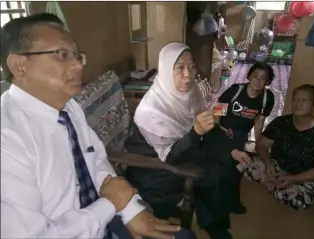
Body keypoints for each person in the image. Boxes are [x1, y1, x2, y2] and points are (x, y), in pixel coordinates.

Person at [1, 13, 196, 239]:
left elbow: (95, 159)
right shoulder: (8, 139)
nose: (77, 65)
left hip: (102, 218)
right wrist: (111, 204)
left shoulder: (69, 107)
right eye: (62, 54)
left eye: (77, 55)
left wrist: (130, 210)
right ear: (19, 65)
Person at [124, 42, 251, 239]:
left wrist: (231, 149)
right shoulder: (151, 110)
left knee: (228, 159)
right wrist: (196, 132)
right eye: (180, 68)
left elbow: (205, 125)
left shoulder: (192, 93)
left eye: (192, 66)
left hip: (185, 146)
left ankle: (223, 207)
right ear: (166, 70)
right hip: (156, 167)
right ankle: (214, 225)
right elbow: (172, 156)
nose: (188, 74)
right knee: (213, 173)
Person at [238, 84, 314, 210]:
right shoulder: (281, 122)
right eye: (295, 99)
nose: (298, 103)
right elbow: (262, 144)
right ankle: (276, 183)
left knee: (298, 199)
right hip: (279, 166)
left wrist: (294, 179)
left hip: (307, 177)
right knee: (242, 161)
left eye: (304, 100)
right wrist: (268, 164)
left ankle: (276, 185)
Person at [217, 62, 275, 149]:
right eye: (255, 76)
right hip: (224, 129)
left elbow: (259, 121)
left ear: (268, 82)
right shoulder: (235, 90)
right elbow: (219, 107)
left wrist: (258, 144)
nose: (257, 81)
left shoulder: (267, 98)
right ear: (249, 77)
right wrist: (216, 129)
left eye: (262, 78)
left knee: (237, 145)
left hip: (242, 134)